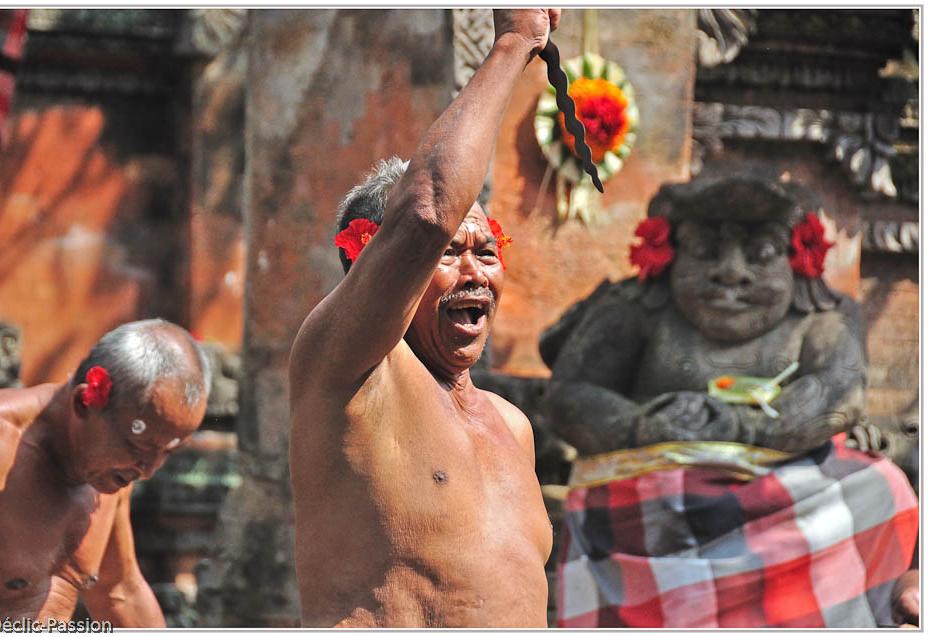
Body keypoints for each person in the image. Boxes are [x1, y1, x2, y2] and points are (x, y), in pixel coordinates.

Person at [539, 175, 918, 628]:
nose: (731, 270)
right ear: (671, 253)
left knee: (883, 483)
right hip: (650, 484)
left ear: (796, 259)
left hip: (786, 485)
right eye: (705, 252)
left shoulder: (823, 317)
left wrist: (744, 427)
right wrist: (643, 423)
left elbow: (840, 393)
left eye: (759, 255)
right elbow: (568, 395)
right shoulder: (635, 307)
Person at [288, 9, 559, 628]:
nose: (475, 273)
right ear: (381, 270)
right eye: (447, 256)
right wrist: (515, 44)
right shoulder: (350, 370)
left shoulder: (512, 426)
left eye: (486, 252)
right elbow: (429, 208)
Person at [0, 318, 211, 626]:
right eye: (137, 446)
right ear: (83, 403)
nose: (148, 470)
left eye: (167, 453)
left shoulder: (112, 474)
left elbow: (118, 590)